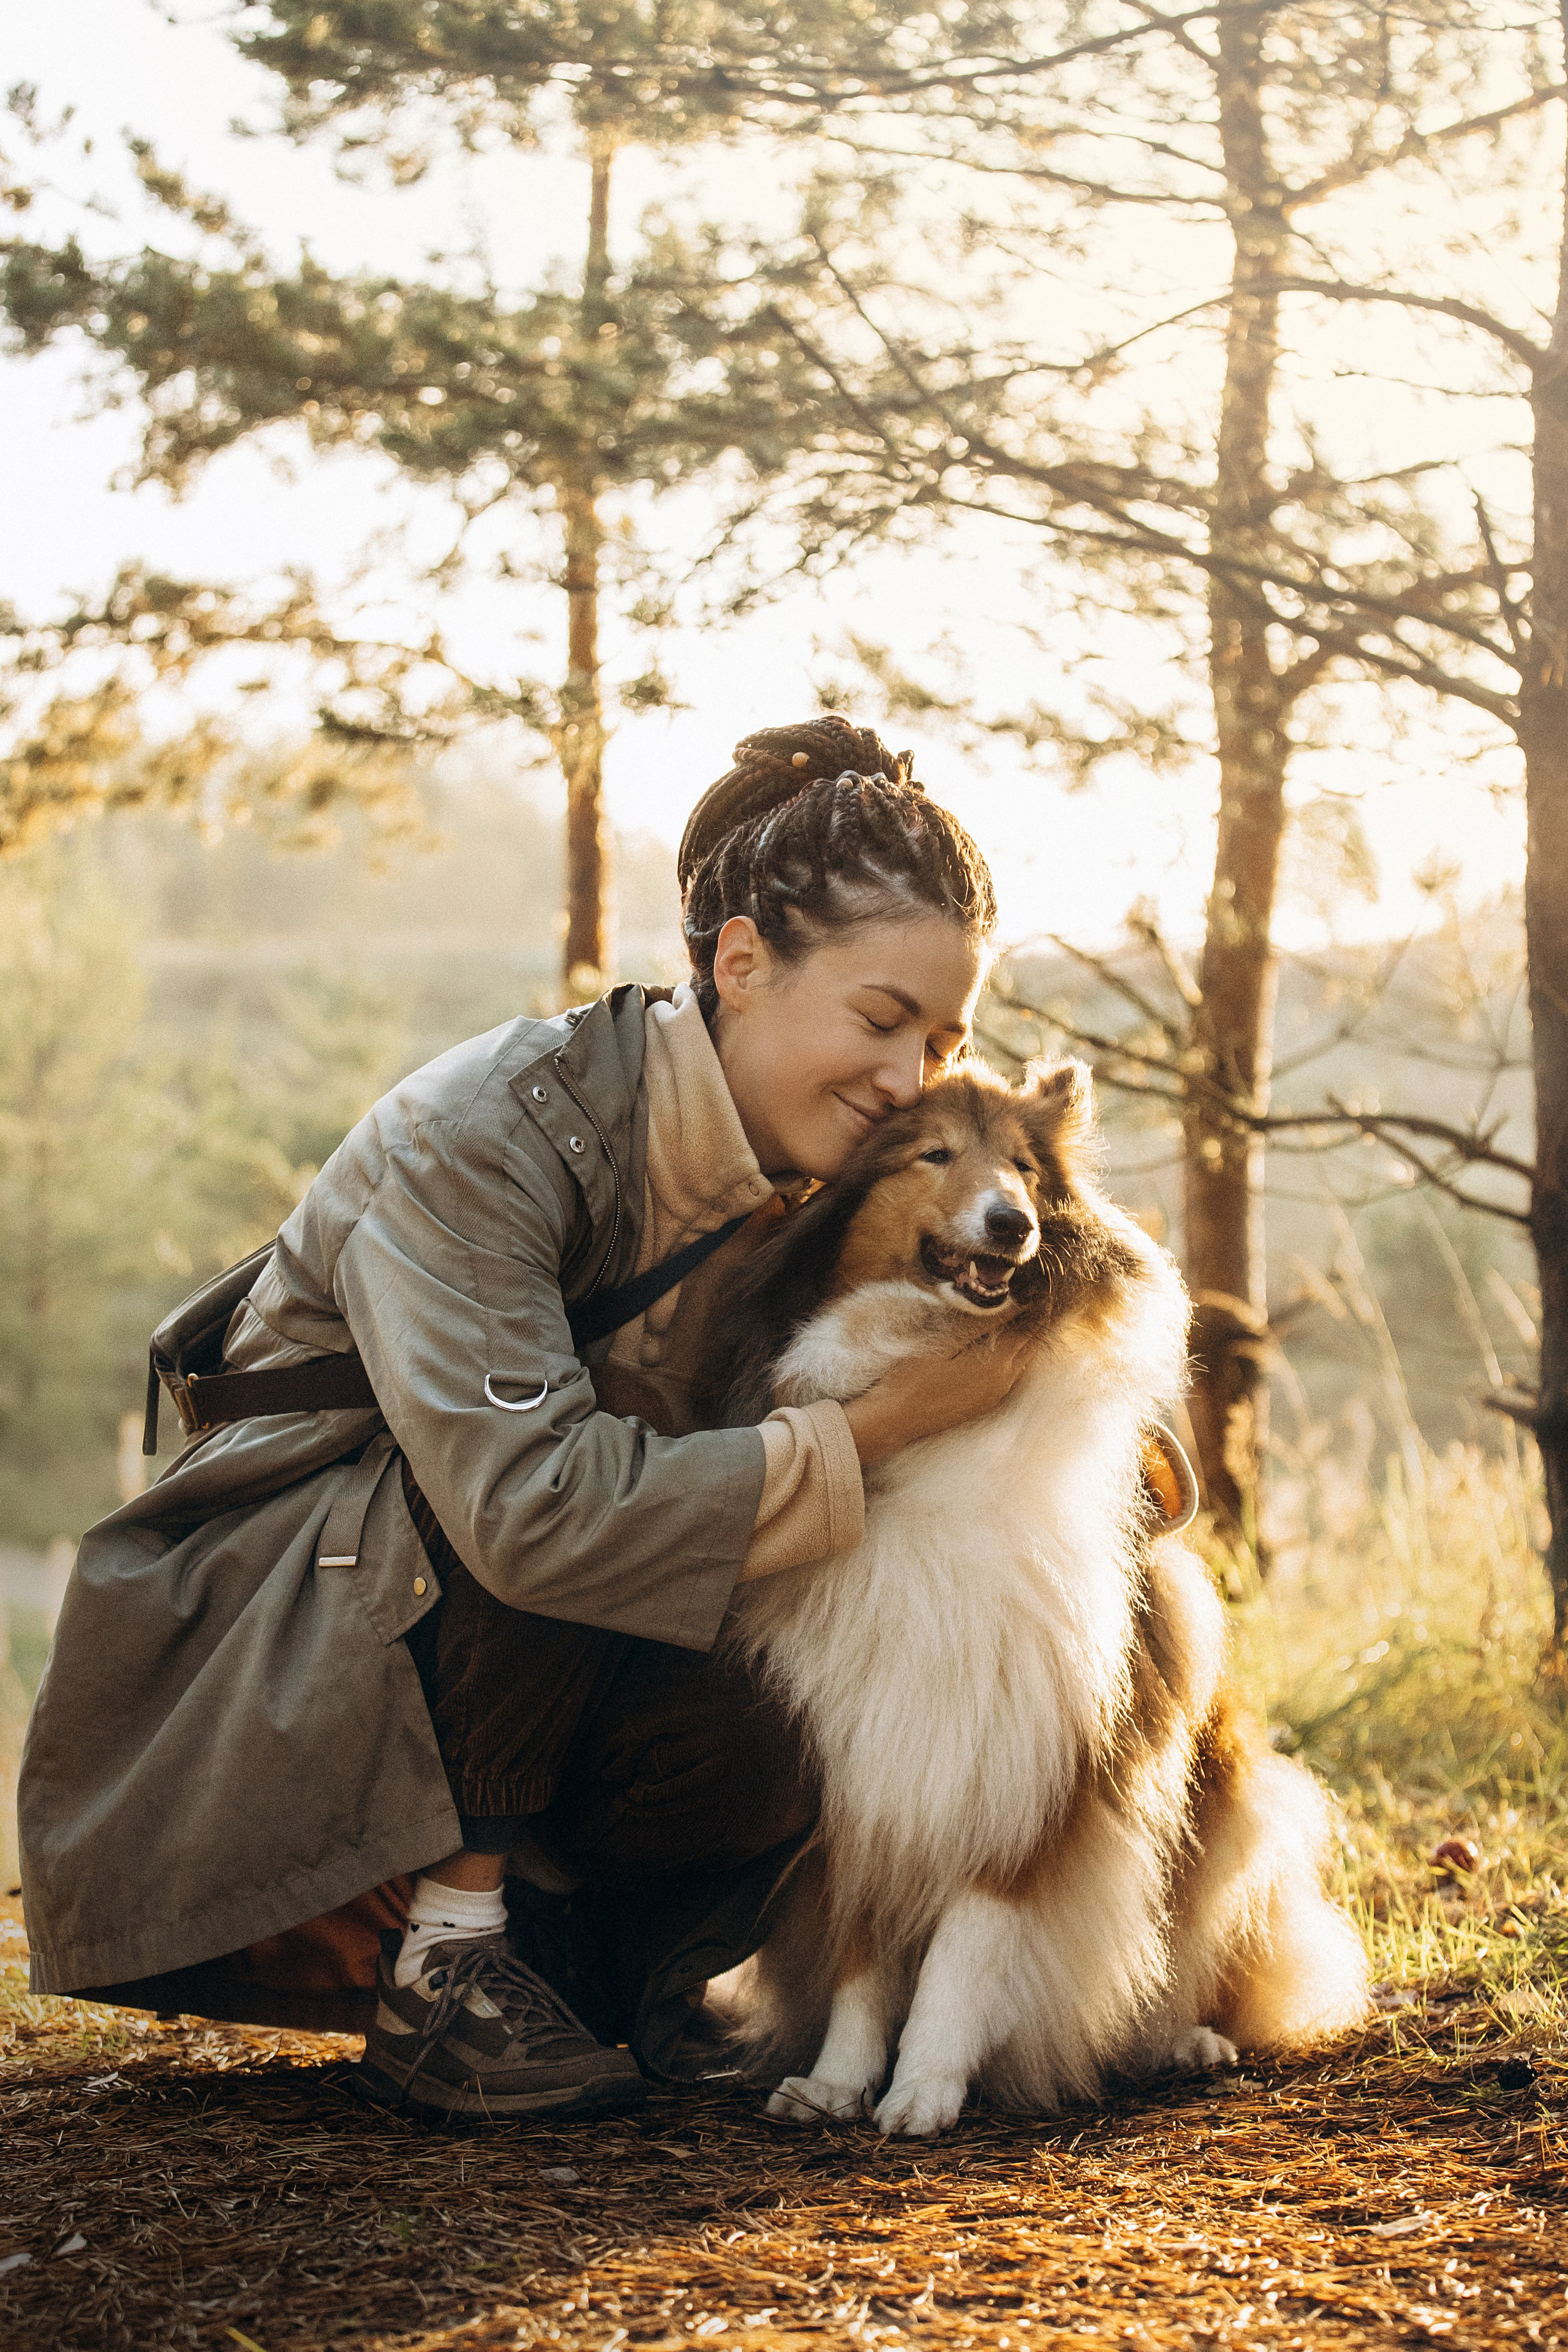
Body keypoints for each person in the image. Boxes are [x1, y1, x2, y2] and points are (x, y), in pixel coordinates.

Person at [19, 715, 1028, 2125]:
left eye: (943, 1037)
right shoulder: (488, 1130)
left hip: (497, 1630)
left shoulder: (815, 1183)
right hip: (289, 1619)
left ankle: (578, 1961)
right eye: (879, 1021)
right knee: (561, 1476)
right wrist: (868, 1433)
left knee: (787, 1726)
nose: (911, 1078)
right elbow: (527, 1504)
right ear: (738, 963)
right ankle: (441, 1960)